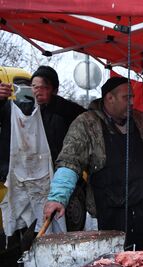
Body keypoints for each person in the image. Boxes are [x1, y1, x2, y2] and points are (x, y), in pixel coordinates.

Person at [43, 76, 143, 251]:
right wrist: (58, 197)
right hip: (112, 216)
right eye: (127, 97)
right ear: (110, 98)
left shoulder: (140, 120)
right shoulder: (87, 123)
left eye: (132, 97)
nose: (132, 102)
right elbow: (70, 161)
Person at [0, 65, 85, 240]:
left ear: (54, 89)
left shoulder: (65, 111)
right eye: (34, 87)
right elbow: (6, 116)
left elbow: (85, 119)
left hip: (58, 179)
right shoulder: (24, 109)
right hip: (28, 181)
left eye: (44, 87)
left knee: (60, 231)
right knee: (30, 231)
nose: (38, 91)